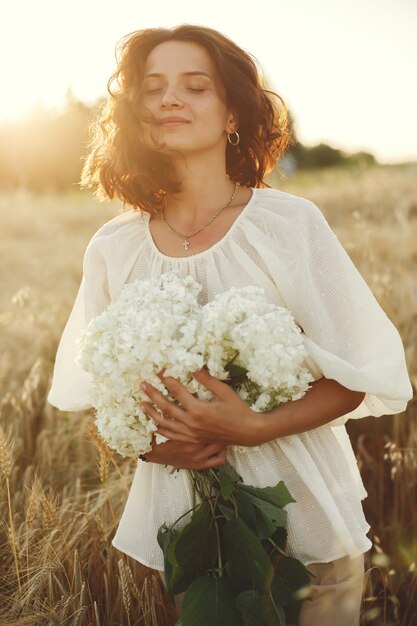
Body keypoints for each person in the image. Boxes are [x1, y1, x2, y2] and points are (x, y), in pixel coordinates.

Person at [47, 24, 413, 625]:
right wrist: (155, 446)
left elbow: (358, 374)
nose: (169, 100)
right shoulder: (114, 246)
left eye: (195, 86)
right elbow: (107, 400)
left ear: (232, 114)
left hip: (307, 521)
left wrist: (255, 426)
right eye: (153, 88)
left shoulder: (288, 225)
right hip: (194, 537)